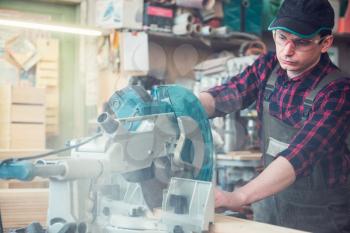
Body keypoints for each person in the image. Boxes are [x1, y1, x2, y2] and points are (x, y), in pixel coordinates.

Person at [199, 0, 350, 232]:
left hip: (320, 220)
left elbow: (300, 155)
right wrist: (184, 106)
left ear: (325, 43)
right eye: (281, 38)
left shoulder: (338, 91)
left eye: (301, 42)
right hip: (268, 212)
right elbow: (226, 95)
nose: (287, 51)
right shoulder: (268, 65)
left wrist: (238, 196)